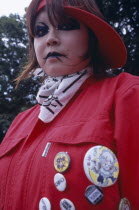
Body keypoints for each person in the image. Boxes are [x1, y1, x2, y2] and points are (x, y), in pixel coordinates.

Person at [0, 0, 139, 209]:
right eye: (40, 31)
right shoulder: (20, 122)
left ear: (91, 36)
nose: (51, 39)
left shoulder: (126, 94)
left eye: (66, 26)